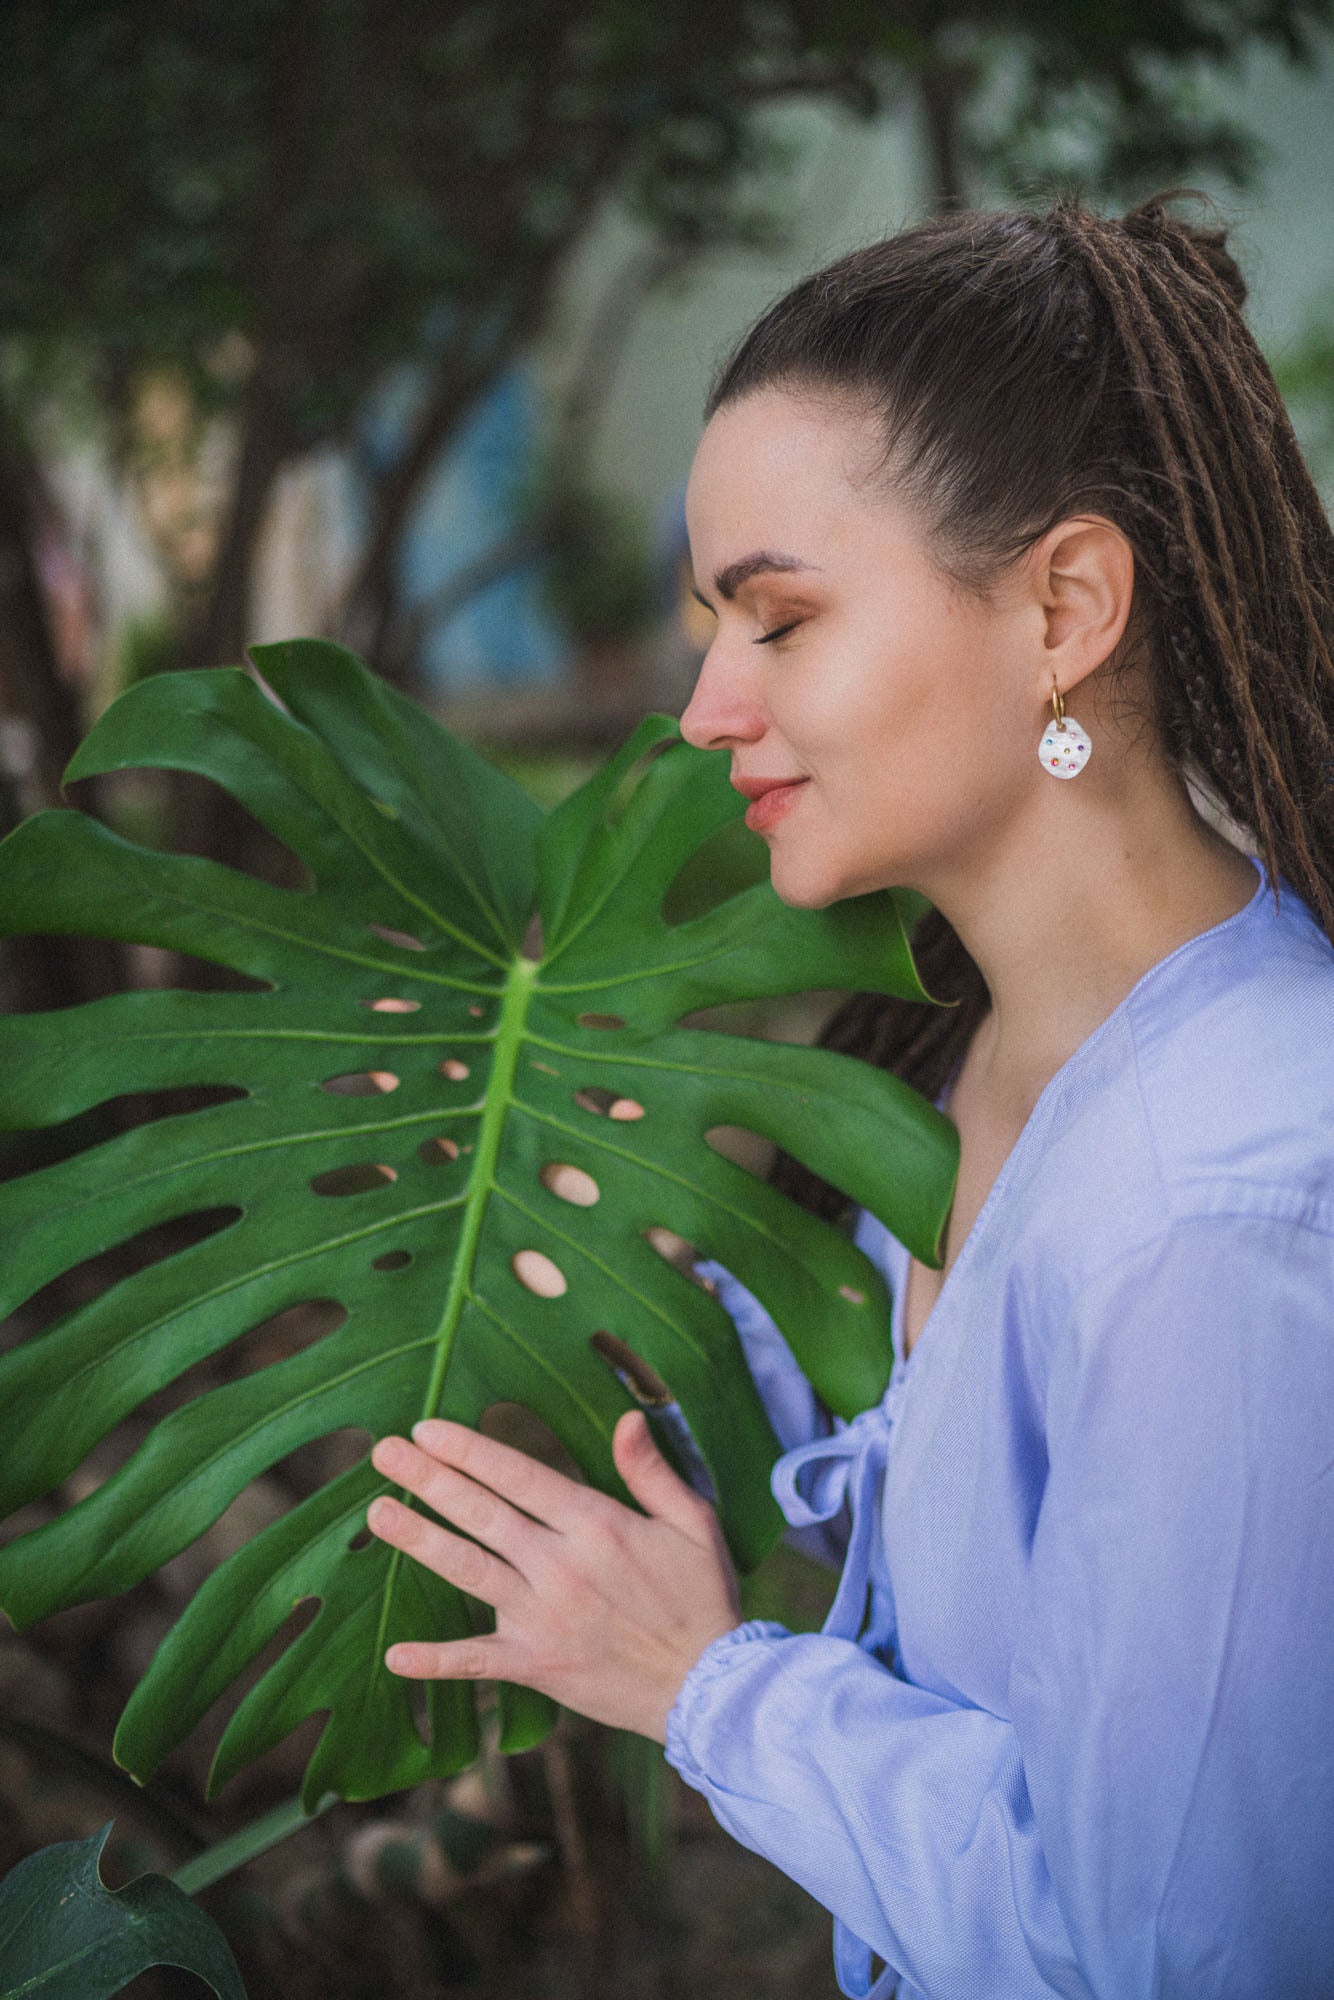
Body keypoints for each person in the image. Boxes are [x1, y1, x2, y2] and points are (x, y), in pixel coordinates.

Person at [364, 190, 1334, 1998]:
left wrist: (708, 1686)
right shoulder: (965, 1066)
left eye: (778, 622)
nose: (702, 707)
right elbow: (970, 1530)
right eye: (707, 626)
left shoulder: (1226, 1212)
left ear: (1063, 605)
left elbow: (1181, 1965)